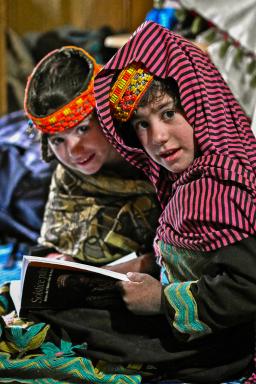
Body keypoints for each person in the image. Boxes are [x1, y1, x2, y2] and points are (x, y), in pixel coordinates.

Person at [92, 21, 256, 383]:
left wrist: (162, 300)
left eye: (168, 113)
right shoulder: (189, 179)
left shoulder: (221, 181)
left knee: (69, 329)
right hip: (202, 334)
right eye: (141, 125)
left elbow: (246, 289)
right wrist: (150, 263)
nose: (158, 137)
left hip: (220, 346)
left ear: (201, 105)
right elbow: (199, 257)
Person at [23, 45, 160, 271]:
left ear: (106, 116)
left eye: (82, 129)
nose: (74, 151)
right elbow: (52, 242)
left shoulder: (156, 147)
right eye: (58, 141)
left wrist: (143, 265)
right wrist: (57, 257)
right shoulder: (69, 176)